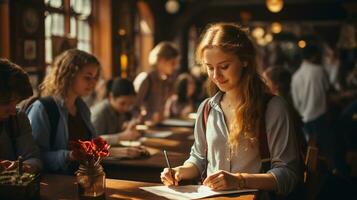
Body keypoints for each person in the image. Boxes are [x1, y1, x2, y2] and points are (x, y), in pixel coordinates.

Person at [160, 23, 301, 196]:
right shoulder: (206, 108)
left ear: (245, 60)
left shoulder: (273, 108)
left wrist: (239, 180)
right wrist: (179, 171)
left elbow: (289, 174)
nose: (216, 76)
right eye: (210, 68)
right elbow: (198, 159)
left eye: (224, 66)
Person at [26, 49, 101, 174]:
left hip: (84, 176)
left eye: (95, 78)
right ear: (69, 75)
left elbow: (92, 144)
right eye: (87, 77)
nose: (93, 83)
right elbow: (35, 157)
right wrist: (69, 156)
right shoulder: (43, 108)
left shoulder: (82, 108)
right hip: (57, 182)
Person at [0, 58, 42, 173]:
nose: (13, 111)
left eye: (16, 102)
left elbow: (34, 159)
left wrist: (23, 167)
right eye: (6, 103)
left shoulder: (17, 119)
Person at [134, 41, 180, 124]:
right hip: (144, 127)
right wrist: (144, 118)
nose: (175, 67)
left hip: (158, 125)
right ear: (161, 60)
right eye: (172, 63)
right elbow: (133, 107)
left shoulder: (165, 80)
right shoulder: (146, 79)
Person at [91, 78, 141, 145]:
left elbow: (133, 115)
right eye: (122, 103)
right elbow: (92, 142)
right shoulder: (100, 113)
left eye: (130, 103)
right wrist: (121, 136)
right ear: (111, 97)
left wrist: (130, 124)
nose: (126, 108)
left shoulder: (120, 110)